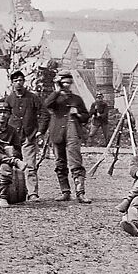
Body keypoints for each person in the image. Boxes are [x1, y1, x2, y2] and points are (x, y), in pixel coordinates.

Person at [44, 70, 91, 204]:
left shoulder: (76, 99)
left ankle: (80, 193)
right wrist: (57, 91)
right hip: (57, 132)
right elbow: (47, 105)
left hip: (72, 132)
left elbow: (86, 116)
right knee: (60, 163)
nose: (67, 86)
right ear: (59, 83)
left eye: (69, 83)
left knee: (75, 161)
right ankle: (65, 191)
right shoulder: (55, 98)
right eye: (64, 83)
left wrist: (78, 115)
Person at [3, 70, 41, 201]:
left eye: (20, 80)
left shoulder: (32, 97)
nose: (18, 83)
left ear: (24, 82)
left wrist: (40, 130)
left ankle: (32, 193)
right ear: (12, 83)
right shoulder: (9, 99)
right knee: (11, 164)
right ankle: (12, 192)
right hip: (13, 138)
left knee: (30, 166)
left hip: (28, 137)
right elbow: (3, 117)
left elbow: (44, 114)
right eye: (15, 81)